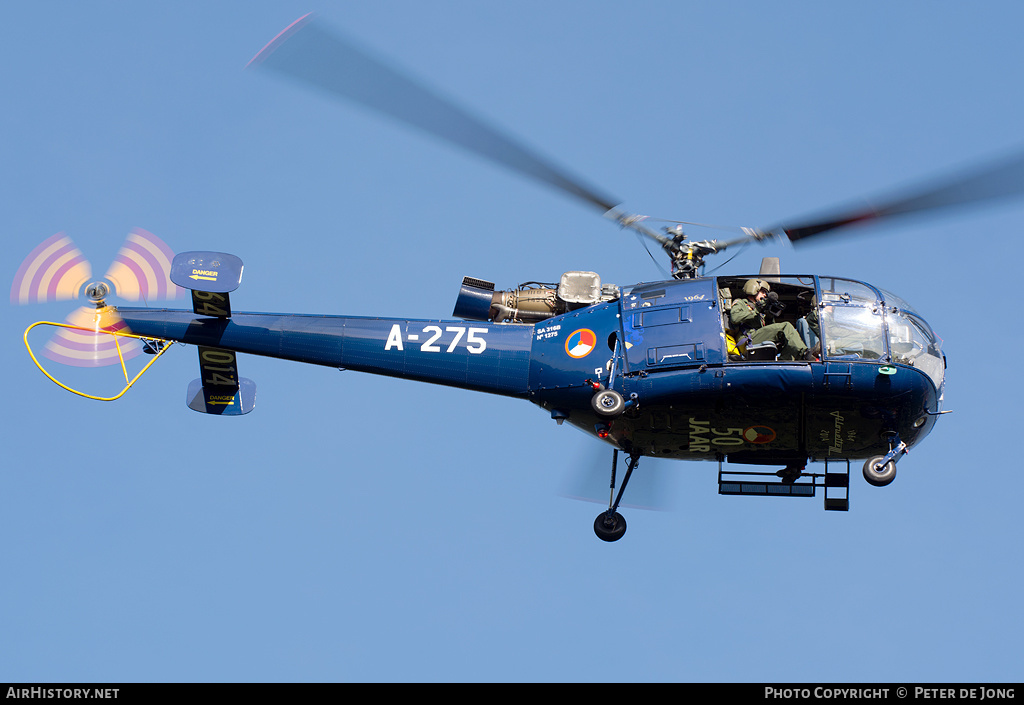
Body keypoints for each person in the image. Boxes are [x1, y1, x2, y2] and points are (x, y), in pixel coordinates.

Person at [729, 279, 816, 361]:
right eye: (763, 292)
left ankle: (784, 362)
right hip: (748, 339)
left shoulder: (760, 310)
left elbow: (770, 328)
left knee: (787, 340)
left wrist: (769, 315)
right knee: (786, 326)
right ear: (753, 289)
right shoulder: (741, 303)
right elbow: (735, 318)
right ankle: (804, 353)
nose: (764, 295)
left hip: (758, 337)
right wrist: (757, 310)